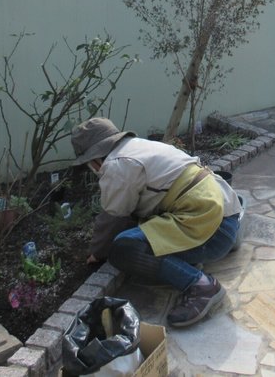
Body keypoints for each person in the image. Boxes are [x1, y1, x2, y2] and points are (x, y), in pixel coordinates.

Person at [71, 117, 243, 327]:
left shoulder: (118, 165)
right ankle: (210, 248)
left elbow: (113, 217)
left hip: (214, 235)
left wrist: (97, 252)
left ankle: (200, 285)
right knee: (146, 227)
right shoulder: (141, 147)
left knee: (124, 248)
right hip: (228, 217)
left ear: (94, 160)